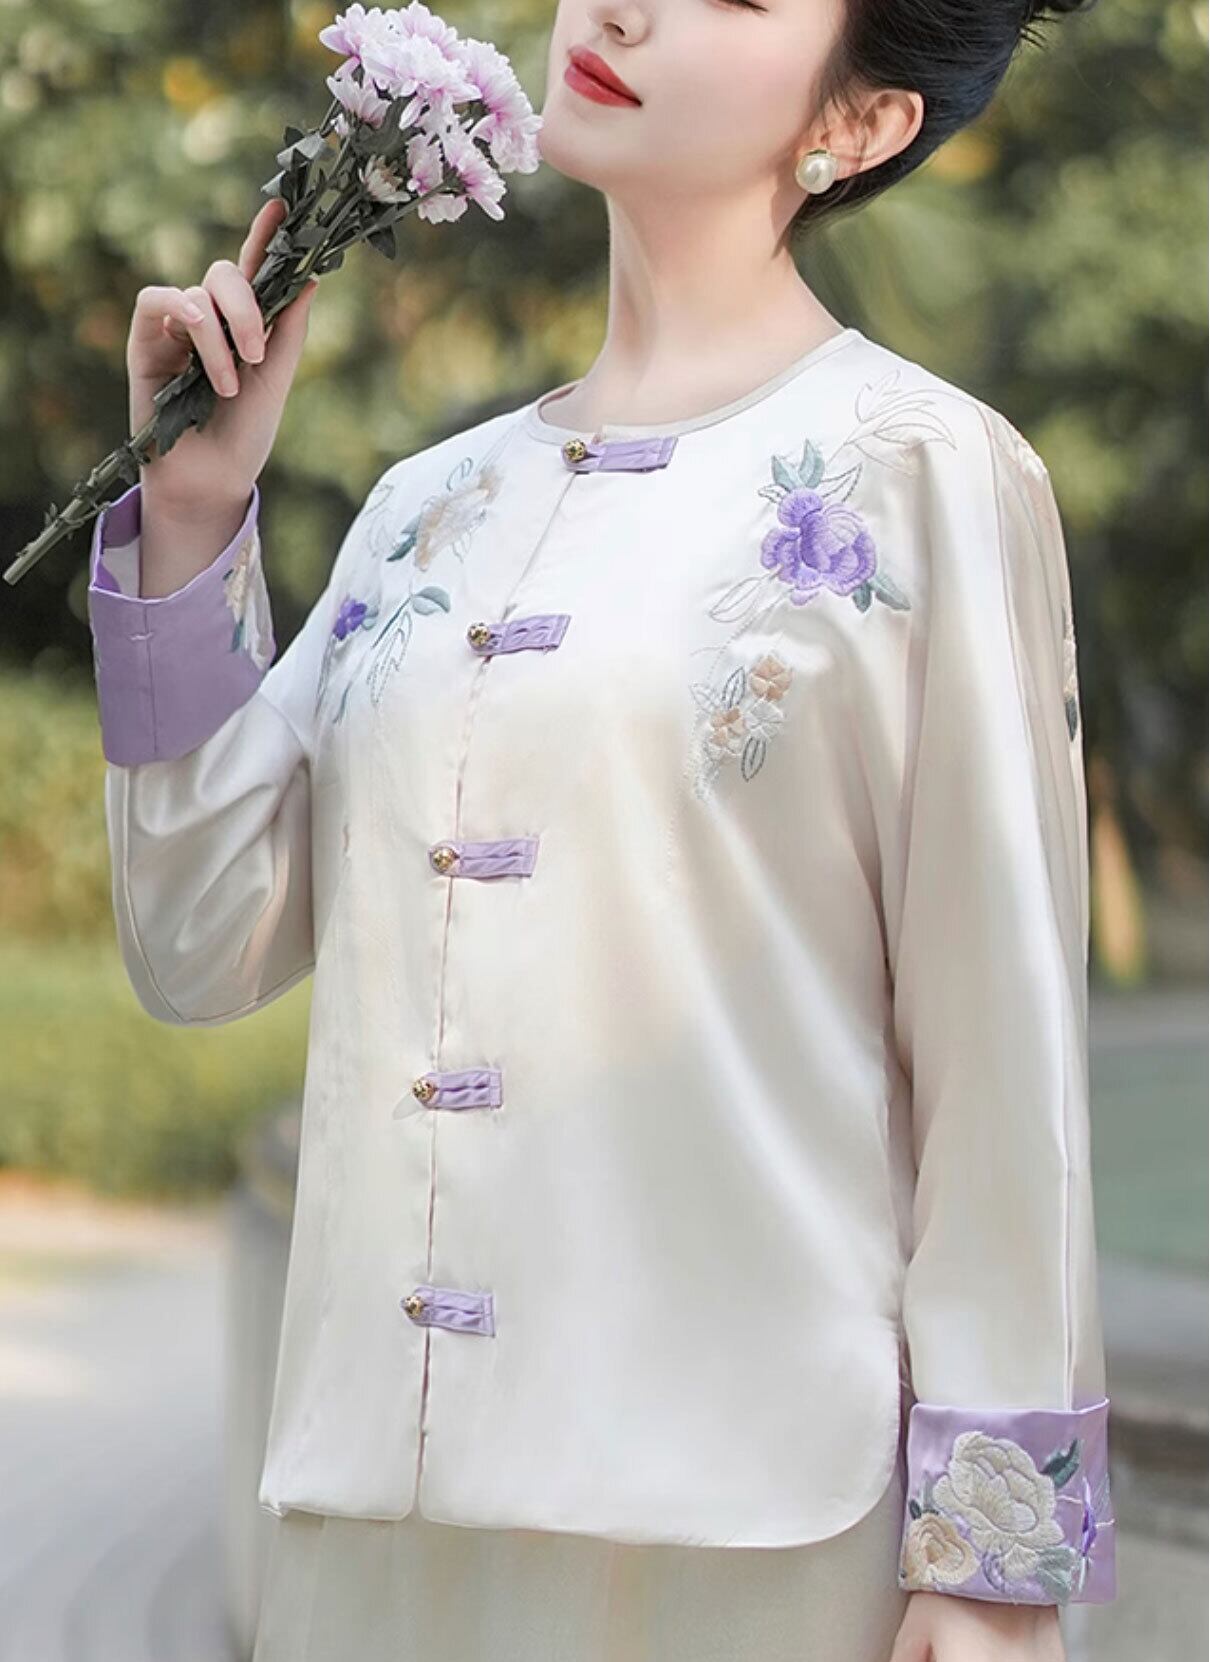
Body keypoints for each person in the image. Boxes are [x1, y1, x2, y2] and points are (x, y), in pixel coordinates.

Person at [86, 1, 1116, 1658]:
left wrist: (991, 1566)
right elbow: (196, 942)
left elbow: (1001, 1048)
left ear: (856, 122)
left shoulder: (926, 475)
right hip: (384, 1534)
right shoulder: (429, 506)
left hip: (751, 1536)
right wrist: (195, 509)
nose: (627, 4)